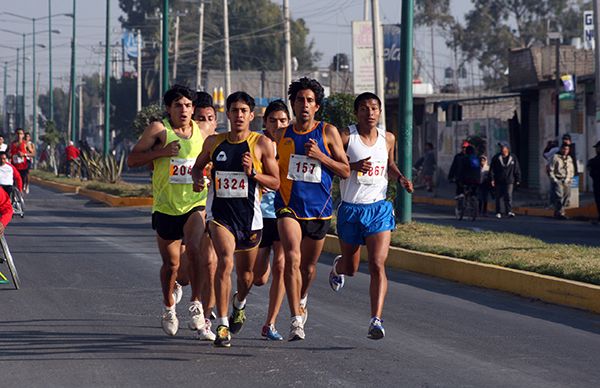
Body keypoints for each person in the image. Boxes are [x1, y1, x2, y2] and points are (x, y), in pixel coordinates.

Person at [191, 91, 279, 348]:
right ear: (227, 114)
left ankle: (239, 303)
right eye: (234, 110)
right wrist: (198, 178)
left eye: (244, 111)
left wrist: (254, 174)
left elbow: (275, 182)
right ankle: (222, 324)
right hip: (221, 216)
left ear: (252, 115)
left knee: (248, 276)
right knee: (225, 262)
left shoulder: (262, 144)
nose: (239, 115)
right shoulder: (214, 143)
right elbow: (197, 167)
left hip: (250, 220)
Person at [127, 84, 213, 337]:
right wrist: (162, 152)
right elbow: (132, 159)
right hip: (166, 206)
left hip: (195, 204)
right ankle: (168, 307)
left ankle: (196, 304)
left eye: (188, 105)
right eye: (178, 105)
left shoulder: (204, 130)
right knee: (171, 265)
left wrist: (204, 176)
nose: (184, 110)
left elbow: (213, 157)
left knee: (196, 251)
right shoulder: (159, 130)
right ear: (169, 108)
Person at [328, 92, 413, 340]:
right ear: (357, 113)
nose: (370, 113)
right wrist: (353, 167)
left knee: (377, 263)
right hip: (351, 208)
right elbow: (335, 164)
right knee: (351, 268)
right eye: (364, 108)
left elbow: (388, 163)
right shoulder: (346, 136)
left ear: (379, 111)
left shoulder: (388, 138)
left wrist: (400, 177)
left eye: (374, 108)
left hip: (378, 208)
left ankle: (376, 319)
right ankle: (338, 266)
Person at [275, 77, 350, 341]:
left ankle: (303, 298)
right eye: (299, 100)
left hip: (319, 211)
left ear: (317, 106)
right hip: (288, 207)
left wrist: (321, 156)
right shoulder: (281, 134)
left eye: (309, 101)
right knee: (291, 258)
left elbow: (345, 170)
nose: (304, 105)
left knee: (307, 268)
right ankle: (296, 320)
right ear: (293, 104)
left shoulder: (328, 132)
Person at [252, 100, 290, 341]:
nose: (278, 125)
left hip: (286, 212)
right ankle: (240, 299)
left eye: (283, 121)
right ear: (265, 122)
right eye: (273, 120)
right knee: (258, 278)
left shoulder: (293, 143)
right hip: (259, 214)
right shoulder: (255, 144)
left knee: (282, 267)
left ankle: (270, 323)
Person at [490, 142, 521, 218]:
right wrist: (492, 179)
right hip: (499, 180)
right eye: (501, 147)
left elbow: (516, 169)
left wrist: (518, 179)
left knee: (508, 196)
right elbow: (492, 169)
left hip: (509, 180)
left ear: (507, 149)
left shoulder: (513, 157)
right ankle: (498, 212)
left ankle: (509, 211)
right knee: (498, 197)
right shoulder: (496, 158)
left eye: (503, 147)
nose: (502, 149)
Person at [548, 143, 575, 219]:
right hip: (558, 179)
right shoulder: (555, 157)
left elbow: (571, 170)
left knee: (566, 197)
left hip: (567, 180)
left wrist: (570, 178)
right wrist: (554, 179)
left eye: (567, 149)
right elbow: (551, 169)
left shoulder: (569, 158)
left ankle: (559, 212)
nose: (565, 151)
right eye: (564, 149)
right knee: (559, 196)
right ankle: (560, 213)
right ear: (561, 149)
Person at [9, 128, 29, 194]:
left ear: (23, 135)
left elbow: (33, 153)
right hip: (14, 166)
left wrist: (24, 154)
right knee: (13, 182)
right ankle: (14, 195)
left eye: (20, 134)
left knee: (21, 182)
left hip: (23, 167)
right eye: (17, 133)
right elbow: (8, 153)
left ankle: (20, 194)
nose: (19, 135)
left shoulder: (25, 144)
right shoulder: (12, 144)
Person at [587, 141, 600, 224]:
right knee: (598, 201)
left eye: (598, 148)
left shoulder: (595, 160)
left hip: (598, 182)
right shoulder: (594, 159)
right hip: (597, 183)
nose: (596, 150)